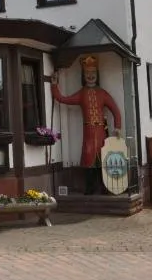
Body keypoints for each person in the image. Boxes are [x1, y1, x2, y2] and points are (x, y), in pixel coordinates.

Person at [51, 55, 122, 194]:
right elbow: (62, 98)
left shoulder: (102, 93)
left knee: (103, 158)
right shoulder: (82, 93)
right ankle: (89, 188)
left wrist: (117, 127)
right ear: (84, 75)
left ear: (97, 74)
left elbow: (115, 110)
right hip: (88, 131)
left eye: (93, 73)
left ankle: (104, 187)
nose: (90, 76)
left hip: (102, 131)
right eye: (87, 73)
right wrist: (54, 85)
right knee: (88, 158)